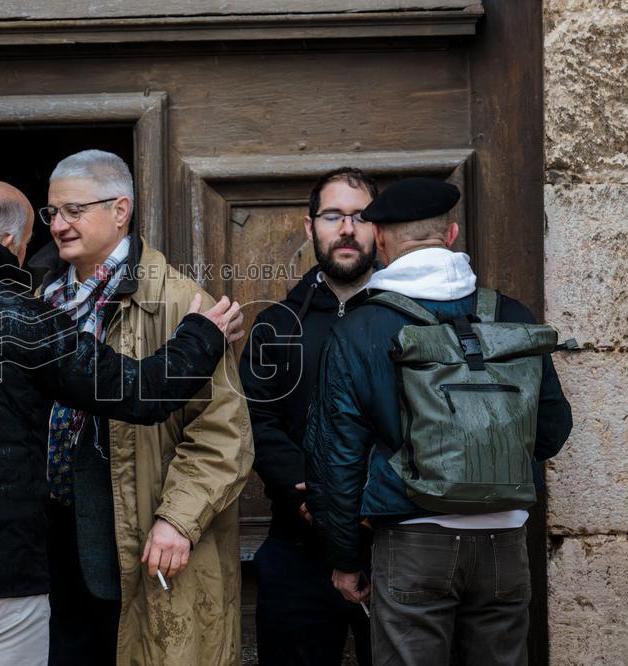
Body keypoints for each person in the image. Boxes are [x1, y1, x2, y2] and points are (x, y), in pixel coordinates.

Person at [0, 179, 243, 666]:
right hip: (0, 575)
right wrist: (201, 335)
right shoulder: (22, 315)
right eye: (27, 242)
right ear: (7, 243)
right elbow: (135, 392)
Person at [304, 177, 573, 665]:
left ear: (380, 240)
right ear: (450, 236)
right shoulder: (511, 314)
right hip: (504, 545)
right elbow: (552, 431)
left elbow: (336, 461)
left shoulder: (359, 329)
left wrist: (345, 560)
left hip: (412, 542)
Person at [35, 150, 253, 665]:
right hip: (53, 536)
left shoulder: (181, 301)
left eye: (73, 211)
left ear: (120, 210)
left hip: (141, 533)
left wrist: (178, 520)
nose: (59, 226)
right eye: (51, 214)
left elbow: (224, 433)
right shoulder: (39, 297)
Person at [240, 167, 377, 666]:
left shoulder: (406, 317)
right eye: (333, 215)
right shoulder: (277, 324)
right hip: (295, 547)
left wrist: (360, 504)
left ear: (377, 228)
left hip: (391, 548)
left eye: (360, 216)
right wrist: (310, 493)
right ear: (309, 227)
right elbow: (255, 416)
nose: (346, 228)